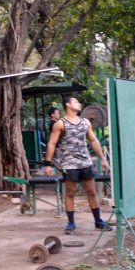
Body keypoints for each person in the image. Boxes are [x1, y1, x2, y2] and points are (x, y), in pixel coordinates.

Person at [44, 97, 111, 233]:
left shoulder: (85, 122)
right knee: (70, 193)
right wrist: (48, 164)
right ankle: (71, 223)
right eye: (76, 102)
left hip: (85, 162)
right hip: (69, 164)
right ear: (68, 105)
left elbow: (93, 140)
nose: (79, 104)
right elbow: (51, 143)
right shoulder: (60, 124)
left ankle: (98, 221)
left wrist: (103, 159)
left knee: (91, 192)